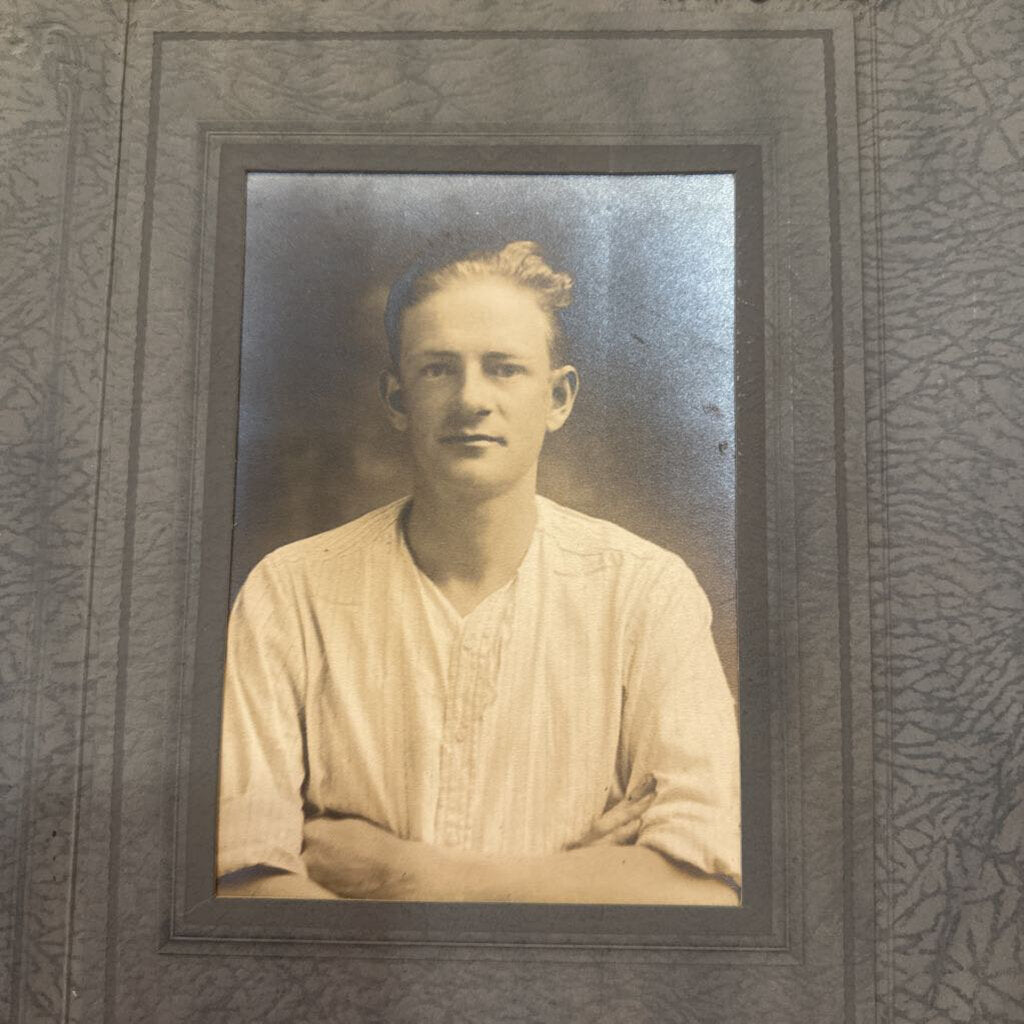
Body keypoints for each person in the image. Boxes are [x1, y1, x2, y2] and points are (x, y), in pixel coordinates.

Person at [216, 241, 741, 904]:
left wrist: (411, 875)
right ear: (396, 397)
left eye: (504, 369)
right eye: (438, 369)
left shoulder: (646, 591)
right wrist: (581, 881)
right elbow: (243, 885)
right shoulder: (290, 592)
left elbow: (704, 892)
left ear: (558, 397)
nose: (471, 399)